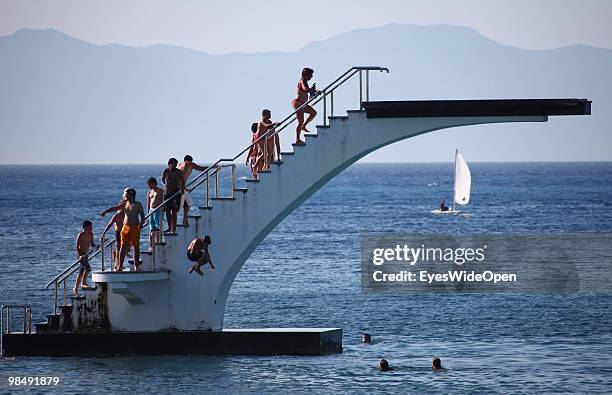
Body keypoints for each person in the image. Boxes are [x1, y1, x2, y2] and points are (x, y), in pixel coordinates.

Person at [100, 188, 146, 271]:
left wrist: (141, 224)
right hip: (125, 227)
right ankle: (120, 266)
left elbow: (142, 215)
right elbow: (114, 208)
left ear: (131, 195)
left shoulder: (138, 204)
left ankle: (136, 266)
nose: (125, 196)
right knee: (123, 246)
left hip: (135, 227)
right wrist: (105, 211)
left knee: (136, 247)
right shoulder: (125, 203)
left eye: (126, 195)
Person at [177, 155, 208, 225]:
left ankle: (184, 220)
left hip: (180, 187)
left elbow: (179, 178)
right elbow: (202, 168)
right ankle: (175, 226)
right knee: (177, 209)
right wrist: (215, 167)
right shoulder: (190, 164)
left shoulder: (179, 165)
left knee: (188, 203)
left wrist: (185, 188)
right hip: (180, 188)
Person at [291, 67, 319, 145]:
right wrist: (313, 90)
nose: (311, 77)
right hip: (298, 103)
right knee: (300, 121)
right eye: (310, 75)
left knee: (313, 113)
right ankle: (297, 139)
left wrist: (312, 90)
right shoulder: (302, 81)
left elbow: (307, 90)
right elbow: (305, 89)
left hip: (303, 104)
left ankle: (304, 126)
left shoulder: (305, 81)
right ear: (305, 75)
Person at [161, 158, 184, 234]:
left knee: (174, 210)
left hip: (176, 192)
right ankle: (169, 227)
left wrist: (182, 189)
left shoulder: (178, 172)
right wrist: (165, 186)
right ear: (169, 164)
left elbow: (183, 182)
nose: (174, 166)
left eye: (175, 164)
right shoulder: (166, 171)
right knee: (167, 210)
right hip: (168, 192)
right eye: (172, 164)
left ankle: (174, 227)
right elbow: (162, 180)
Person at [73, 220, 96, 295]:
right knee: (88, 268)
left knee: (81, 272)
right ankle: (83, 283)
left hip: (86, 255)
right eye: (90, 227)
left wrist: (97, 245)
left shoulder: (91, 234)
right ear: (86, 227)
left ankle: (75, 288)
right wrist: (79, 255)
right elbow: (77, 246)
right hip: (81, 255)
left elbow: (92, 244)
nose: (91, 228)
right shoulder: (81, 234)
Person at [147, 177, 165, 250]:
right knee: (151, 229)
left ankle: (158, 242)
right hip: (151, 211)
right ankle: (151, 245)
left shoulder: (160, 191)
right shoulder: (149, 192)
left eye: (150, 185)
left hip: (158, 210)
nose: (149, 186)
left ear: (154, 183)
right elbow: (148, 203)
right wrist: (148, 214)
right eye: (149, 185)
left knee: (158, 228)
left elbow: (164, 200)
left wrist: (164, 209)